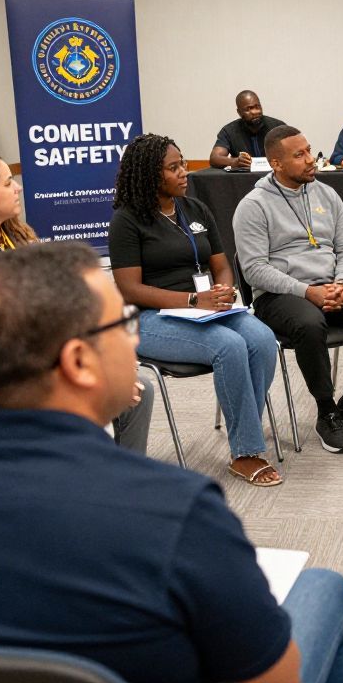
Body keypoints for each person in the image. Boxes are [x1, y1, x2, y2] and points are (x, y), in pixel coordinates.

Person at [0, 242, 343, 683]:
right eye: (124, 324)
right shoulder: (175, 510)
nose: (133, 337)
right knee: (327, 589)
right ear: (79, 362)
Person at [109, 133, 281, 485]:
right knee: (229, 346)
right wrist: (191, 300)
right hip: (148, 318)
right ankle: (246, 452)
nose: (184, 172)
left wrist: (223, 289)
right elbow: (128, 289)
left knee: (262, 338)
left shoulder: (195, 209)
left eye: (183, 163)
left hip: (204, 310)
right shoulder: (127, 220)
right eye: (173, 168)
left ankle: (245, 431)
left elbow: (220, 262)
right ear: (148, 176)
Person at [0, 151, 152, 449]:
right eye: (9, 183)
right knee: (86, 398)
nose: (18, 188)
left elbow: (57, 302)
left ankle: (120, 482)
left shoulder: (15, 236)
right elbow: (9, 325)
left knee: (139, 391)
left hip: (30, 354)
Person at [234, 125, 343, 454]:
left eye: (310, 150)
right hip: (279, 297)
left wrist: (342, 283)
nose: (312, 160)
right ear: (276, 164)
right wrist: (306, 292)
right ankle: (326, 412)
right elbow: (254, 269)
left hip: (331, 286)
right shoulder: (253, 205)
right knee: (310, 324)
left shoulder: (327, 194)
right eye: (300, 155)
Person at [209, 90, 286, 170]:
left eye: (257, 107)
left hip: (275, 175)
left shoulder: (278, 127)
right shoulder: (229, 131)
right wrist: (233, 162)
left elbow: (294, 152)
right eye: (248, 109)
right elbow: (215, 158)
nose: (255, 112)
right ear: (239, 112)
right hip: (244, 178)